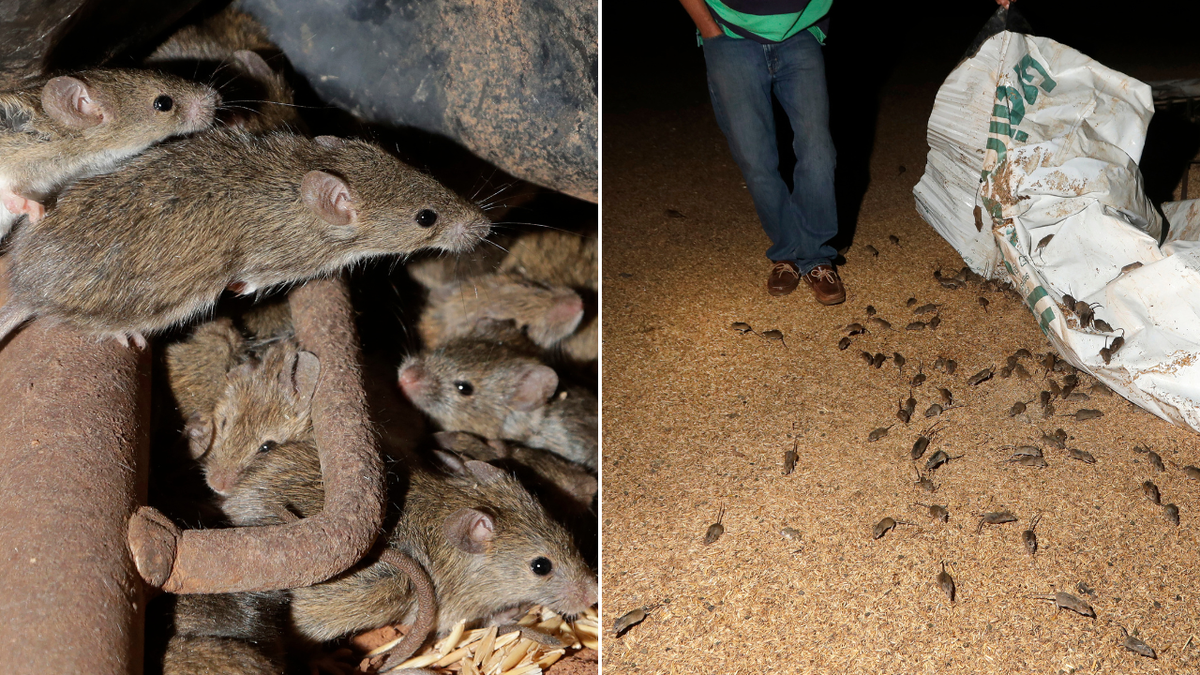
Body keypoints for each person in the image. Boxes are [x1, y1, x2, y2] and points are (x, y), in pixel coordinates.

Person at [678, 0, 844, 304]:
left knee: (819, 151)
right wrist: (709, 29)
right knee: (755, 158)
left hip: (800, 33)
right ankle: (786, 253)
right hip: (729, 38)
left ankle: (816, 257)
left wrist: (816, 23)